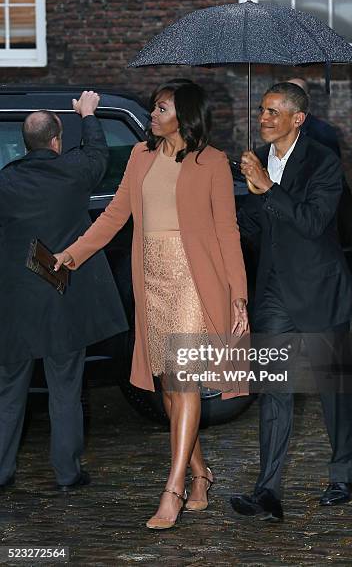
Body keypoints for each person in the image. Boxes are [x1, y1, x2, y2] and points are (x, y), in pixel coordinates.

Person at [54, 79, 248, 529]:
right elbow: (114, 216)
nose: (153, 114)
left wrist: (238, 295)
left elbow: (227, 232)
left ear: (186, 114)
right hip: (152, 279)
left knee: (185, 381)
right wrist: (72, 254)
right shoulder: (140, 157)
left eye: (161, 108)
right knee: (168, 385)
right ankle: (201, 474)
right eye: (155, 107)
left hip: (194, 281)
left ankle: (173, 488)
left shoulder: (213, 162)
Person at [230, 82, 352, 522]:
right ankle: (266, 490)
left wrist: (268, 188)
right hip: (272, 292)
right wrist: (249, 197)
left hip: (319, 290)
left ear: (297, 119)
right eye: (262, 111)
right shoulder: (257, 158)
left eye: (272, 112)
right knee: (273, 391)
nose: (263, 119)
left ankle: (343, 473)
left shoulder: (323, 162)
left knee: (333, 391)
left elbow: (312, 222)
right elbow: (256, 226)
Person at [0, 91, 128, 492]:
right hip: (61, 298)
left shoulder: (5, 181)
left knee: (7, 394)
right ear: (56, 141)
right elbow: (98, 154)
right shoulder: (73, 171)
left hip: (16, 305)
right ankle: (68, 474)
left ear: (25, 143)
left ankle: (2, 473)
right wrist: (87, 115)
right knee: (65, 390)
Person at [287, 77, 352, 248]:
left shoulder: (323, 132)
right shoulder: (280, 131)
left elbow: (331, 176)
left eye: (297, 93)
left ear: (307, 99)